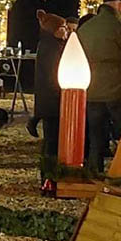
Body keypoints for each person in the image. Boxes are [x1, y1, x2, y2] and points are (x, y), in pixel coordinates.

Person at [76, 0, 121, 173]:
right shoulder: (119, 28)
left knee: (96, 136)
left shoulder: (85, 28)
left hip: (91, 89)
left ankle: (93, 172)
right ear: (118, 4)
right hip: (117, 89)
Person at [32, 10, 67, 185]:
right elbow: (54, 76)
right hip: (53, 100)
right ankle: (49, 177)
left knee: (50, 140)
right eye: (63, 28)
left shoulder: (48, 45)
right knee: (52, 141)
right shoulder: (52, 48)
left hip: (48, 100)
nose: (66, 31)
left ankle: (48, 175)